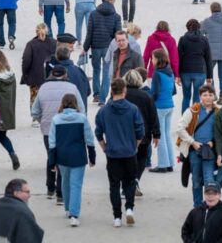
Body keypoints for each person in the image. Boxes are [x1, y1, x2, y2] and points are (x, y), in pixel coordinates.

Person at [96, 77, 145, 228]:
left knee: (114, 185)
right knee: (130, 182)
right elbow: (140, 131)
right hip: (129, 152)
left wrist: (104, 147)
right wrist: (135, 145)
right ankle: (129, 208)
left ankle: (117, 216)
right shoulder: (133, 109)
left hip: (113, 153)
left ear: (111, 91)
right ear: (124, 91)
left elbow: (98, 132)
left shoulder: (103, 111)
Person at [32, 65, 85, 202]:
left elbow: (35, 111)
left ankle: (50, 188)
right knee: (63, 159)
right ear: (65, 74)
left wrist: (43, 120)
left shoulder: (43, 87)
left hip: (48, 128)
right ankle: (60, 193)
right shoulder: (72, 88)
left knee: (51, 155)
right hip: (67, 128)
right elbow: (81, 109)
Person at [49, 93, 96, 227]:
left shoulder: (56, 119)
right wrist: (92, 156)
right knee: (76, 185)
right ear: (76, 103)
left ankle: (68, 209)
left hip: (62, 156)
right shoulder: (82, 118)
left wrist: (52, 161)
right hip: (78, 156)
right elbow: (89, 138)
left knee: (65, 181)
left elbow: (52, 142)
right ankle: (74, 215)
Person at [177, 84, 221, 207]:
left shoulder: (218, 112)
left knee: (209, 180)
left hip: (210, 151)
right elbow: (180, 128)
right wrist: (193, 142)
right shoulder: (193, 110)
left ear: (214, 96)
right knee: (196, 180)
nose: (208, 98)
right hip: (194, 151)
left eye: (210, 95)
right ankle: (197, 206)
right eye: (205, 95)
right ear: (200, 96)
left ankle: (211, 205)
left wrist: (213, 142)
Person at [0, 179, 44, 243]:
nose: (29, 196)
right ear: (16, 193)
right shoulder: (23, 213)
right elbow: (31, 240)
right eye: (27, 192)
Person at [122, 69, 159, 192]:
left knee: (126, 158)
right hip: (143, 133)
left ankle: (127, 182)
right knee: (142, 157)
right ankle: (136, 179)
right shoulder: (146, 96)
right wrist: (156, 134)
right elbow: (153, 116)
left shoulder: (121, 95)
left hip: (124, 133)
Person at [84, 0, 122, 102]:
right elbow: (117, 34)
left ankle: (96, 94)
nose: (114, 1)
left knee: (96, 70)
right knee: (106, 72)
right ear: (110, 0)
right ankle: (102, 98)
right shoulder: (116, 16)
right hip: (108, 48)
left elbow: (89, 32)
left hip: (95, 47)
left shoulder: (93, 14)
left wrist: (85, 47)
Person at [150, 48, 177, 173]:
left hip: (159, 106)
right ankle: (170, 163)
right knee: (166, 135)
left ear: (157, 59)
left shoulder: (157, 73)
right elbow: (174, 91)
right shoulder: (170, 71)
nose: (152, 60)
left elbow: (155, 92)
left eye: (153, 58)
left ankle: (162, 164)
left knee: (159, 136)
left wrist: (150, 101)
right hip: (170, 105)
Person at [20, 23, 56, 109]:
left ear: (36, 32)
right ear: (47, 31)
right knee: (49, 99)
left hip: (34, 77)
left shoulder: (31, 44)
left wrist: (25, 73)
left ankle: (35, 118)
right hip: (50, 76)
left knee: (34, 98)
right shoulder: (54, 43)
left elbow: (26, 60)